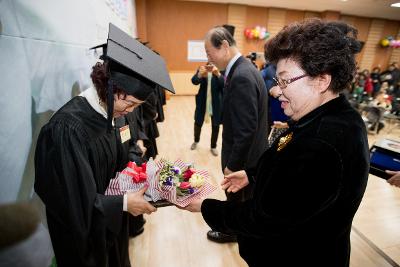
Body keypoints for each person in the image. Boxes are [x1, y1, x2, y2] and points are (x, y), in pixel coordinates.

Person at [182, 19, 369, 267]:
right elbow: (293, 177)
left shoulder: (321, 143)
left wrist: (206, 207)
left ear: (322, 80)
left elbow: (265, 219)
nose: (277, 91)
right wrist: (253, 174)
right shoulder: (332, 117)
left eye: (285, 81)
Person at [34, 24, 175, 267]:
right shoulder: (67, 130)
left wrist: (144, 169)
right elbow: (72, 204)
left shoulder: (118, 113)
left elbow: (127, 148)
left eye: (137, 106)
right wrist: (122, 203)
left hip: (112, 223)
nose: (131, 111)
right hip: (84, 240)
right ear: (109, 88)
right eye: (129, 103)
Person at [202, 26, 268, 243]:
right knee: (244, 201)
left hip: (244, 159)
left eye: (210, 53)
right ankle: (238, 230)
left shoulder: (241, 75)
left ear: (224, 46)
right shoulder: (246, 69)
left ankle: (232, 231)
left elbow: (246, 128)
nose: (209, 58)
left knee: (238, 199)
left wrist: (233, 164)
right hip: (253, 154)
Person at [190, 62, 224, 156]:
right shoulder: (202, 69)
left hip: (216, 104)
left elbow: (224, 85)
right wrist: (200, 74)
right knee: (197, 122)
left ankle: (213, 146)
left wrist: (218, 74)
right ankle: (196, 141)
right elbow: (194, 81)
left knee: (216, 125)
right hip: (202, 102)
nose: (211, 66)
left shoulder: (220, 70)